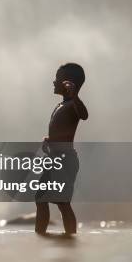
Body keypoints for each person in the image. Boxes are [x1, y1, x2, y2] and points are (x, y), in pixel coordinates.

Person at [35, 62, 88, 235]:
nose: (54, 82)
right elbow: (61, 132)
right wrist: (49, 140)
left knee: (63, 203)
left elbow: (84, 115)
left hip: (65, 160)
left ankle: (70, 238)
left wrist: (76, 96)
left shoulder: (73, 104)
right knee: (40, 198)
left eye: (57, 79)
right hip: (54, 158)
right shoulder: (62, 105)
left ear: (68, 84)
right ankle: (40, 236)